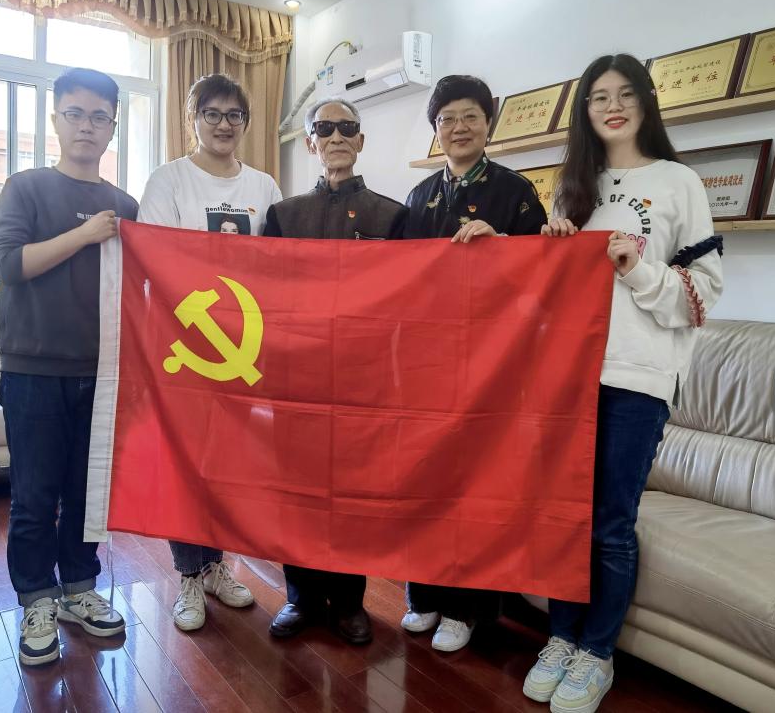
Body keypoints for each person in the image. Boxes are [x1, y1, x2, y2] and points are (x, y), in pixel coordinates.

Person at [522, 54, 723, 713]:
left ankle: (597, 651)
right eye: (599, 96)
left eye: (626, 93)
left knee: (610, 521)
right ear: (584, 111)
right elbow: (548, 301)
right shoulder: (572, 187)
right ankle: (561, 637)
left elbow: (703, 295)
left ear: (646, 102)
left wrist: (637, 267)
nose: (613, 106)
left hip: (639, 377)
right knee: (565, 515)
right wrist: (551, 256)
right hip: (569, 375)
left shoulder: (679, 182)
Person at [0, 67, 137, 666]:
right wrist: (85, 235)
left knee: (86, 492)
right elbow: (7, 264)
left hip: (104, 372)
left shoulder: (125, 206)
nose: (86, 126)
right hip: (33, 371)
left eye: (99, 117)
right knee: (33, 495)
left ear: (112, 128)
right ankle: (36, 601)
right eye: (75, 114)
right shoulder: (25, 188)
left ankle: (79, 589)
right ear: (56, 120)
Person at [400, 74, 548, 652]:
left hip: (492, 364)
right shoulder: (418, 197)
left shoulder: (516, 191)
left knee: (478, 486)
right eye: (447, 119)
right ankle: (424, 596)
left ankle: (469, 609)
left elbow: (543, 278)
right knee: (426, 479)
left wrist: (503, 245)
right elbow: (400, 282)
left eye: (470, 117)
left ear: (489, 124)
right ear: (436, 129)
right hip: (428, 364)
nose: (458, 128)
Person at [138, 73, 282, 631]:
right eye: (213, 114)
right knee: (186, 464)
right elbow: (155, 256)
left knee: (227, 465)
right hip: (186, 347)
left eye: (234, 115)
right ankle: (189, 577)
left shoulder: (264, 186)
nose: (224, 124)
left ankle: (218, 566)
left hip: (243, 347)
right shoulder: (169, 180)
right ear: (193, 118)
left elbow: (282, 263)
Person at [263, 97, 408, 644]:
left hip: (362, 378)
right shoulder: (284, 216)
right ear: (310, 143)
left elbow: (411, 299)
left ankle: (349, 601)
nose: (337, 137)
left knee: (353, 492)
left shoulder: (392, 216)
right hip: (296, 375)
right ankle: (300, 597)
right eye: (324, 128)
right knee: (297, 492)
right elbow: (264, 295)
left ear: (361, 140)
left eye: (348, 128)